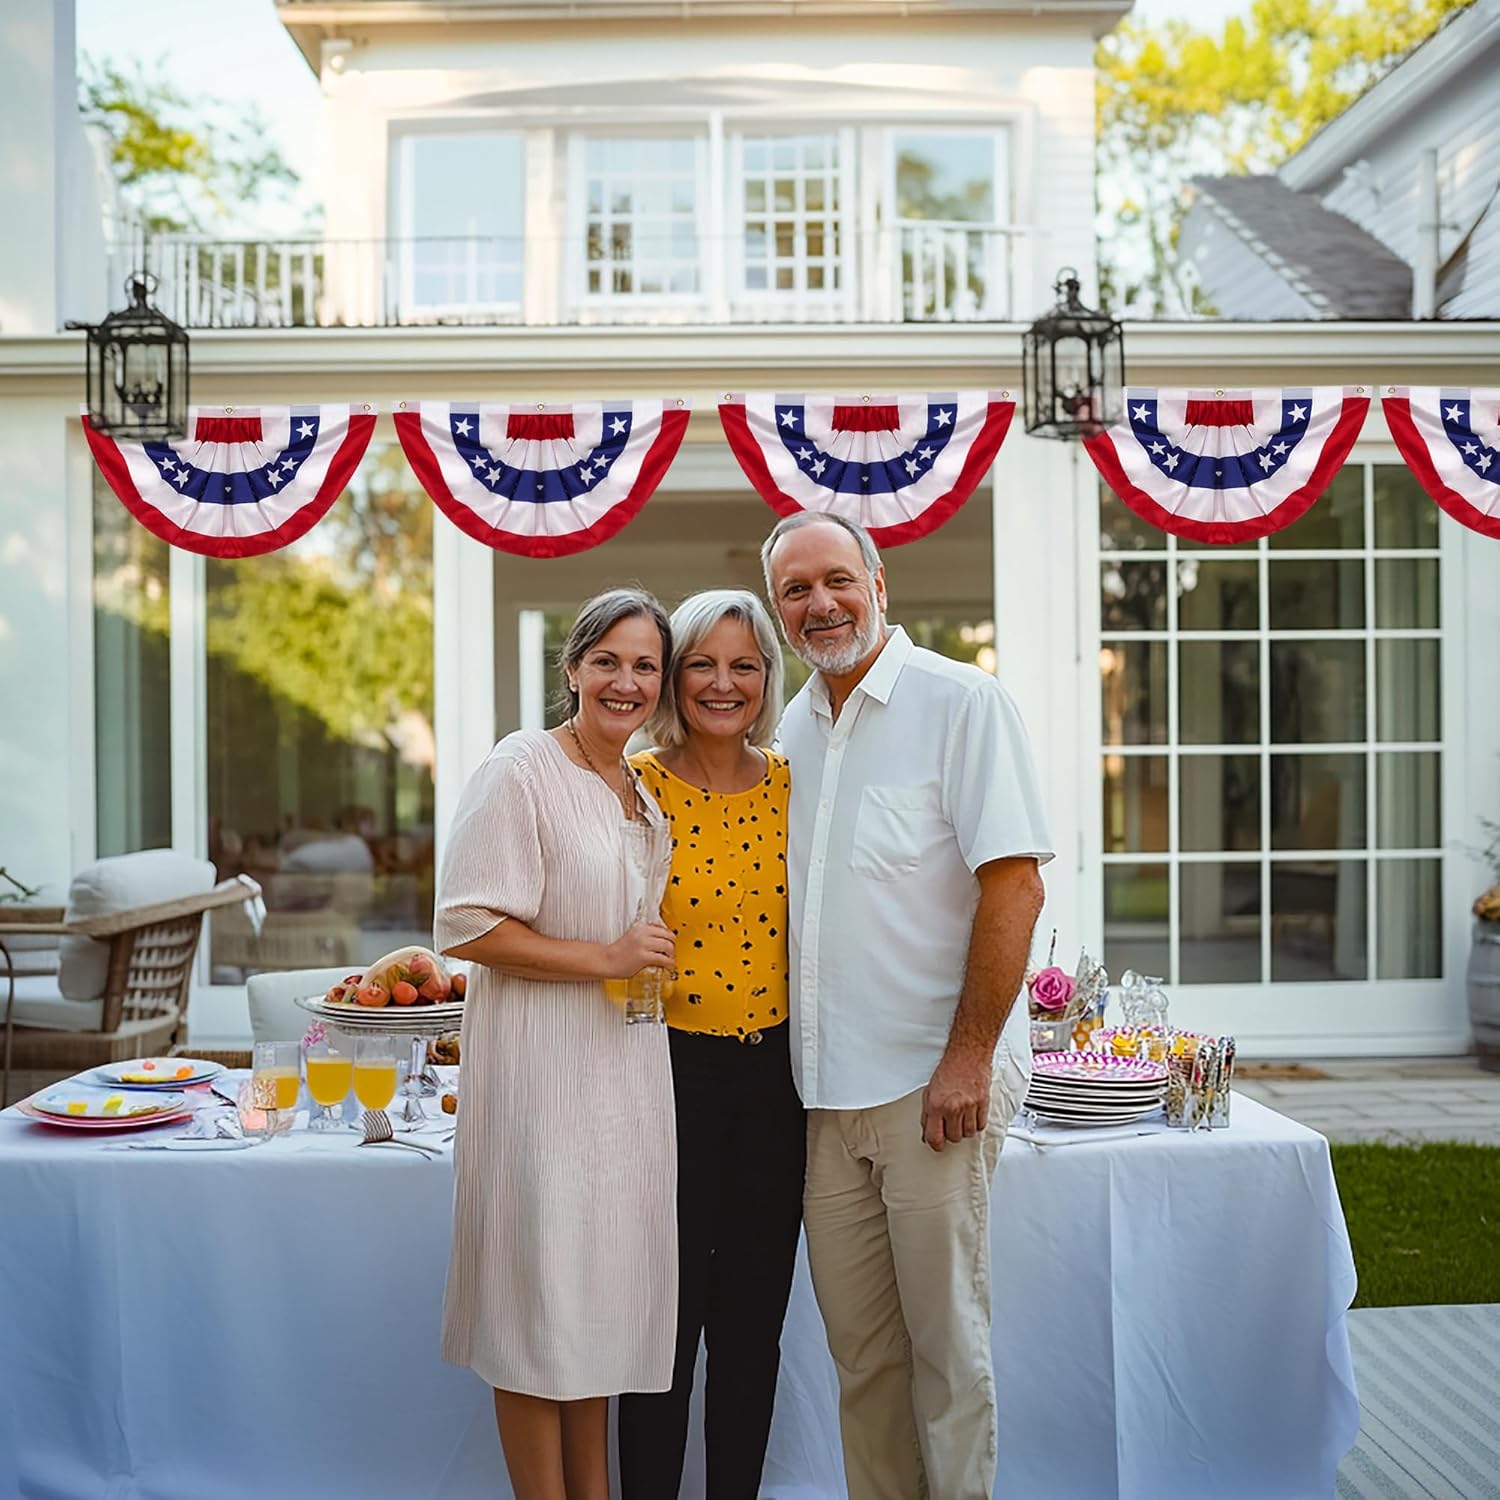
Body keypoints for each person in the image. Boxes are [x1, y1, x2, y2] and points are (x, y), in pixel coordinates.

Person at [761, 511, 1053, 1500]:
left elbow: (1015, 886)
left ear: (879, 581)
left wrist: (967, 1059)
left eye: (837, 579)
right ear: (778, 609)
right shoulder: (786, 732)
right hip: (822, 1100)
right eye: (796, 590)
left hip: (931, 1090)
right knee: (863, 1361)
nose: (820, 603)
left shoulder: (961, 702)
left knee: (947, 1357)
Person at [435, 587, 680, 1500]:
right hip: (541, 1071)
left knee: (593, 1306)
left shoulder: (639, 783)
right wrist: (604, 956)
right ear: (572, 668)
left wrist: (634, 957)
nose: (626, 681)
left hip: (620, 1075)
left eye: (645, 665)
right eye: (607, 661)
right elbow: (462, 925)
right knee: (537, 1310)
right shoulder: (521, 767)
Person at [616, 589, 805, 1500]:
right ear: (674, 677)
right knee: (663, 1321)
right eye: (701, 663)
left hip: (777, 1081)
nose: (723, 683)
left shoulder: (791, 783)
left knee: (751, 1324)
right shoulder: (635, 783)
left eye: (745, 665)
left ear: (769, 678)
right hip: (663, 1075)